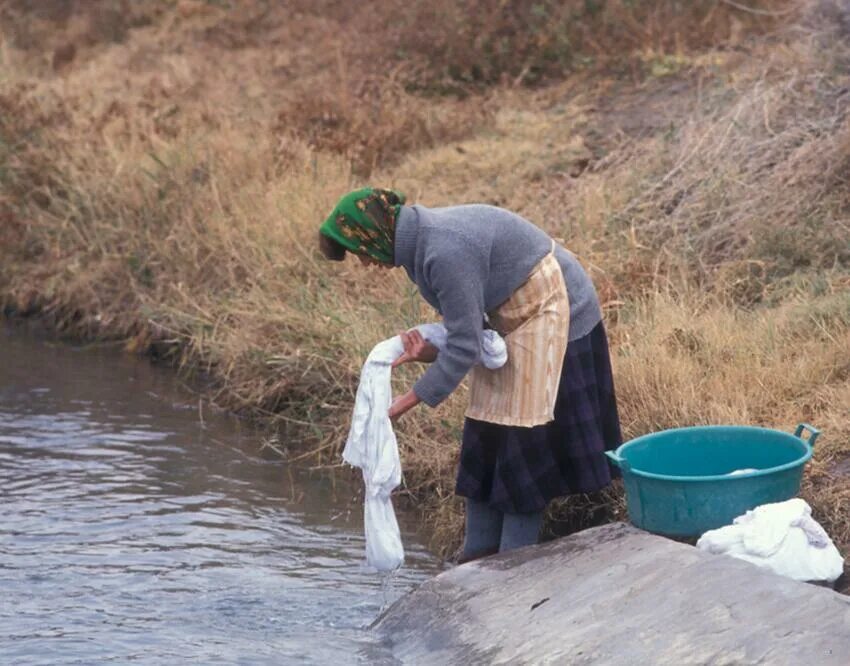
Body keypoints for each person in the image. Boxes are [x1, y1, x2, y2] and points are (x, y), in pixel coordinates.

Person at [319, 187, 622, 562]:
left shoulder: (442, 250)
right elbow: (468, 329)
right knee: (486, 431)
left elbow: (465, 343)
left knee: (522, 442)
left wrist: (405, 403)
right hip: (510, 319)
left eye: (360, 251)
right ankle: (476, 555)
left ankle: (513, 561)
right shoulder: (417, 250)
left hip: (554, 308)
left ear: (376, 233)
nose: (365, 263)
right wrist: (425, 353)